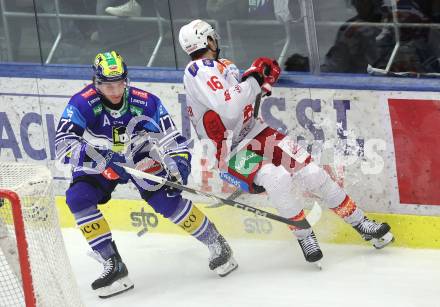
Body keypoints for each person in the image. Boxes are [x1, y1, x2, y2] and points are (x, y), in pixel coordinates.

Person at [178, 19, 394, 265]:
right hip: (230, 152)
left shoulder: (223, 66)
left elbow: (242, 99)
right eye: (212, 36)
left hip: (257, 132)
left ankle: (361, 222)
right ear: (207, 40)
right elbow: (229, 107)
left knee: (312, 172)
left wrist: (261, 81)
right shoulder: (196, 71)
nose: (216, 40)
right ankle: (305, 236)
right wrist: (254, 81)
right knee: (275, 177)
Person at [55, 50, 238, 298]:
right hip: (100, 160)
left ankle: (216, 242)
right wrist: (100, 157)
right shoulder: (82, 103)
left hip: (139, 157)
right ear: (96, 83)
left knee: (166, 200)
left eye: (120, 83)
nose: (116, 91)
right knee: (78, 198)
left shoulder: (144, 101)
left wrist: (178, 164)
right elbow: (63, 144)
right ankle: (113, 263)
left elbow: (173, 139)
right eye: (108, 85)